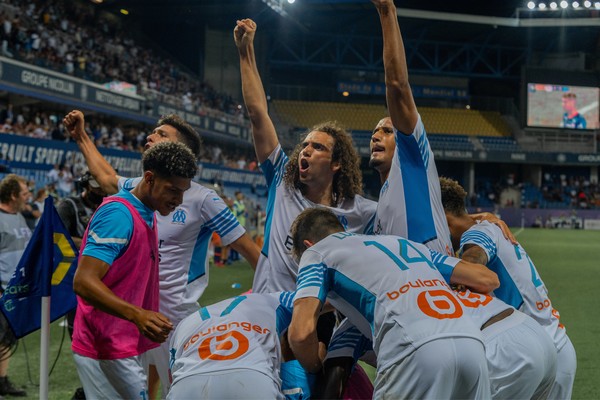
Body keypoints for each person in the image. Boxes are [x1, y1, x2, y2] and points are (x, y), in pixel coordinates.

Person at [63, 109, 260, 397]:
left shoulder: (204, 198)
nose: (150, 136)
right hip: (133, 313)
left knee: (184, 389)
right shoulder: (141, 189)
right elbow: (106, 179)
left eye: (162, 134)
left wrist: (267, 294)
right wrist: (81, 137)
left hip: (175, 317)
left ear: (181, 151)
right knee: (140, 387)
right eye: (154, 131)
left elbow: (248, 248)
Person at [234, 18, 377, 293]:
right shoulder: (282, 183)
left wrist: (472, 220)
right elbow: (257, 114)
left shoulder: (360, 212)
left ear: (336, 164)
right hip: (269, 314)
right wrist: (245, 51)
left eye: (318, 147)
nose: (306, 150)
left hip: (319, 320)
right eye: (306, 145)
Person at [288, 208, 491, 399]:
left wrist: (315, 366)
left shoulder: (316, 253)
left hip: (412, 347)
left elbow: (301, 334)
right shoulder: (401, 243)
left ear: (307, 245)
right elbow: (485, 278)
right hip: (471, 344)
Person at [71, 141, 198, 400]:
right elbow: (83, 281)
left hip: (123, 342)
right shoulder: (119, 215)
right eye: (173, 190)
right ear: (149, 178)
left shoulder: (147, 209)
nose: (179, 200)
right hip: (106, 346)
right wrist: (138, 315)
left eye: (183, 192)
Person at [439, 176, 577, 400]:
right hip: (558, 346)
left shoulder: (477, 235)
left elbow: (474, 256)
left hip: (528, 353)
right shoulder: (490, 227)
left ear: (443, 219)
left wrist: (458, 275)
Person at [167, 292, 295, 399]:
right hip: (252, 378)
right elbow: (305, 319)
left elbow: (172, 375)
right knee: (300, 376)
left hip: (187, 383)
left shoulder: (184, 323)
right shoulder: (279, 300)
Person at [57, 171, 107, 400]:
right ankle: (87, 390)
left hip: (104, 280)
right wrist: (92, 243)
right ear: (85, 186)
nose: (100, 191)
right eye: (96, 187)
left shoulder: (109, 205)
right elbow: (56, 236)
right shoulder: (69, 206)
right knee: (80, 338)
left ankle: (92, 389)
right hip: (75, 280)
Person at [0, 174, 30, 397]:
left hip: (15, 291)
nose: (27, 196)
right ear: (12, 195)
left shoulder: (19, 216)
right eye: (24, 193)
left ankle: (2, 380)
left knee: (6, 339)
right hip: (1, 290)